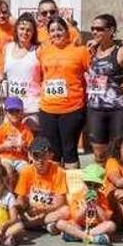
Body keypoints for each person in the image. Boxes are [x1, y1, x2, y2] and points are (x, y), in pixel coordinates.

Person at [37, 17, 90, 168]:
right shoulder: (43, 51)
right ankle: (57, 186)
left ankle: (72, 190)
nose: (56, 33)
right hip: (48, 109)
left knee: (69, 149)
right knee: (53, 151)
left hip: (72, 108)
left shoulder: (80, 51)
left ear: (67, 31)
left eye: (59, 29)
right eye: (52, 31)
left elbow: (92, 75)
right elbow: (42, 75)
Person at [85, 14, 123, 165]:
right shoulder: (91, 50)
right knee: (98, 152)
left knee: (118, 150)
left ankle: (118, 183)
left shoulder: (120, 50)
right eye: (92, 29)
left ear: (111, 30)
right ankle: (101, 184)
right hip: (95, 107)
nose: (94, 32)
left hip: (117, 108)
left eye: (99, 29)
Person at [14, 137, 68, 232]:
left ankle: (31, 225)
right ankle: (43, 225)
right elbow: (20, 198)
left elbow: (60, 202)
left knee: (65, 211)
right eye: (36, 155)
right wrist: (20, 208)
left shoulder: (59, 172)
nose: (40, 160)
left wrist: (42, 210)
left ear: (50, 155)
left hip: (50, 211)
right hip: (31, 211)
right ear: (30, 156)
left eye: (43, 155)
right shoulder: (26, 171)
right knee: (14, 205)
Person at [0, 13, 41, 131]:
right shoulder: (7, 48)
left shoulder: (38, 50)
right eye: (22, 29)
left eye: (29, 30)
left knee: (31, 144)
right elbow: (3, 75)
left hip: (32, 106)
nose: (25, 33)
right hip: (11, 106)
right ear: (16, 30)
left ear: (34, 32)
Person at [56, 163, 115, 245]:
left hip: (95, 228)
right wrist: (86, 206)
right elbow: (76, 218)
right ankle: (91, 239)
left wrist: (96, 205)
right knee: (60, 223)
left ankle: (77, 236)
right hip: (79, 226)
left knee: (111, 225)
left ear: (100, 186)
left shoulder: (102, 198)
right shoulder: (77, 195)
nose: (92, 188)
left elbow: (105, 219)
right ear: (83, 183)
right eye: (89, 184)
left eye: (96, 186)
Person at [0, 96, 33, 181]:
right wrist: (5, 146)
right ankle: (9, 193)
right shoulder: (1, 129)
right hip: (5, 157)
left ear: (22, 112)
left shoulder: (26, 129)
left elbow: (30, 149)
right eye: (11, 111)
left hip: (21, 159)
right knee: (7, 170)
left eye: (17, 111)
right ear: (6, 113)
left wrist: (24, 146)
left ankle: (22, 192)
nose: (14, 114)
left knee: (26, 171)